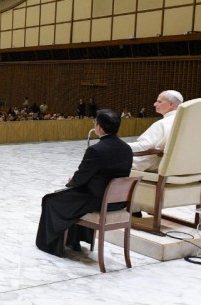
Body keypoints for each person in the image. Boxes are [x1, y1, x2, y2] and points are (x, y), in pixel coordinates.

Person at [35, 109, 132, 257]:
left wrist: (71, 181)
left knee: (51, 200)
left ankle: (50, 244)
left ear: (99, 127)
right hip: (118, 202)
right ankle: (74, 240)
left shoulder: (96, 150)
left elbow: (81, 178)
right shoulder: (127, 149)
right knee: (72, 197)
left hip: (97, 200)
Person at [129, 90, 183, 172]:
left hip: (153, 164)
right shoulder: (185, 122)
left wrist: (118, 146)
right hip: (178, 167)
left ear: (171, 104)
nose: (155, 104)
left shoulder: (163, 123)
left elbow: (144, 146)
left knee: (107, 159)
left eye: (159, 101)